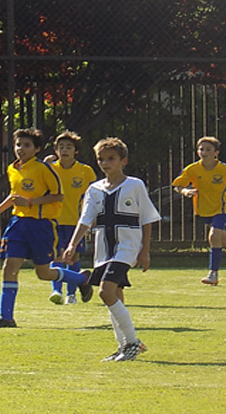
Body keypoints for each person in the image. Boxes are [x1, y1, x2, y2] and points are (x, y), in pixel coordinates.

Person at [0, 127, 94, 328]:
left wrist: (31, 203)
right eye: (18, 144)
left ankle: (81, 279)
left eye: (26, 145)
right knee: (9, 268)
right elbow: (14, 196)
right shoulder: (13, 169)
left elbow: (58, 196)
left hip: (41, 226)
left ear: (37, 149)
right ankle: (6, 317)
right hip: (18, 224)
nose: (20, 149)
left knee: (43, 273)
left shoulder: (43, 169)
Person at [63, 137, 161, 361]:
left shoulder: (134, 185)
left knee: (105, 292)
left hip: (126, 248)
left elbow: (147, 218)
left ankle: (133, 342)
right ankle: (123, 346)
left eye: (111, 159)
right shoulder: (94, 189)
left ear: (123, 161)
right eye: (101, 159)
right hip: (103, 251)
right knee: (115, 295)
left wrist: (145, 250)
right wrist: (72, 244)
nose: (105, 163)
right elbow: (85, 220)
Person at [45, 131, 97, 305]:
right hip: (54, 221)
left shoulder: (85, 171)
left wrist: (93, 216)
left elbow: (92, 196)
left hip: (76, 222)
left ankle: (72, 294)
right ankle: (57, 291)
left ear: (76, 151)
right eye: (61, 147)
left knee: (72, 257)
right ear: (56, 150)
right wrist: (45, 166)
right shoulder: (51, 168)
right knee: (57, 256)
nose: (64, 150)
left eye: (68, 147)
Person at [172, 136, 226, 286]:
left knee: (214, 235)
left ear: (216, 153)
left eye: (208, 149)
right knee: (220, 239)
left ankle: (213, 274)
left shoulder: (223, 169)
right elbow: (178, 185)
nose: (204, 152)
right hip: (203, 209)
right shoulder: (192, 169)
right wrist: (185, 192)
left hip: (222, 209)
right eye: (201, 149)